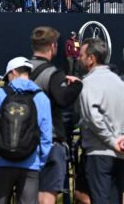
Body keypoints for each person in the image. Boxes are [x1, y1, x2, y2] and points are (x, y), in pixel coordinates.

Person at [0, 57, 52, 204]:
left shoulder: (0, 94)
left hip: (2, 162)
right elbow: (46, 136)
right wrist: (40, 162)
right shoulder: (41, 97)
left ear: (13, 72)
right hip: (30, 164)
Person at [27, 27, 82, 204]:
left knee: (28, 193)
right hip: (49, 138)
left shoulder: (20, 71)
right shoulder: (53, 73)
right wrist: (76, 86)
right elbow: (63, 99)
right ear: (53, 47)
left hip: (24, 139)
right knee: (47, 193)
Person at [76, 38, 124, 203]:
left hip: (99, 153)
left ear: (91, 59)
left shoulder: (89, 83)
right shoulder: (119, 82)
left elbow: (92, 117)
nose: (78, 58)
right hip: (119, 152)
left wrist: (112, 141)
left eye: (81, 55)